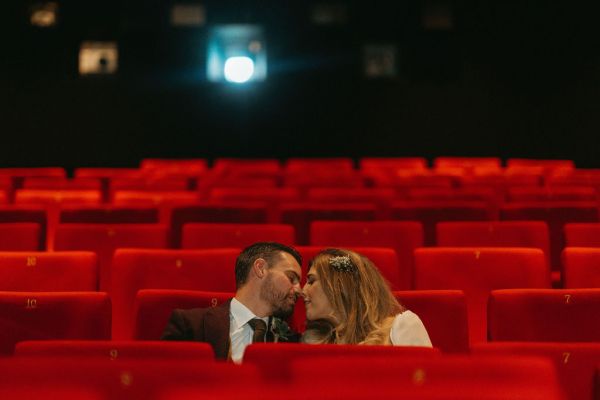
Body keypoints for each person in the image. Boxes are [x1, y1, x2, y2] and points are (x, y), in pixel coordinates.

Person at [161, 242, 303, 362]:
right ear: (260, 269)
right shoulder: (191, 325)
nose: (299, 290)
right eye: (291, 278)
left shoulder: (294, 341)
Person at [301, 248, 432, 346]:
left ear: (340, 286)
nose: (303, 291)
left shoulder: (402, 327)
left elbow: (424, 380)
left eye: (311, 281)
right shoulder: (313, 341)